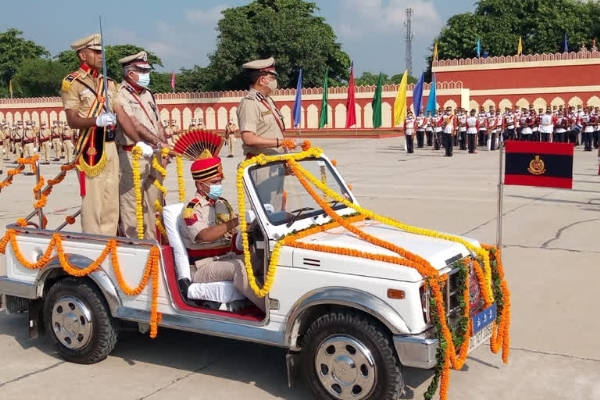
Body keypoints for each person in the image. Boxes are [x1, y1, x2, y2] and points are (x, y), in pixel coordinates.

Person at [60, 33, 137, 236]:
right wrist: (97, 120)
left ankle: (108, 247)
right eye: (96, 52)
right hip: (90, 148)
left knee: (111, 205)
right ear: (83, 55)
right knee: (94, 207)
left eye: (102, 51)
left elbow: (122, 114)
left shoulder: (109, 83)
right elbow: (72, 120)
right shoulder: (72, 82)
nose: (101, 55)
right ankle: (93, 249)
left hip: (110, 146)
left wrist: (139, 141)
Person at [178, 151, 266, 312]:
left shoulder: (222, 204)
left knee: (264, 256)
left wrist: (253, 226)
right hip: (203, 266)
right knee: (238, 267)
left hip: (227, 256)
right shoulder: (191, 209)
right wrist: (234, 222)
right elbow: (203, 236)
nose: (219, 185)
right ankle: (267, 309)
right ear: (200, 185)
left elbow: (236, 232)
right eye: (214, 182)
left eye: (219, 181)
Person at [115, 50, 172, 241]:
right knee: (131, 205)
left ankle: (152, 244)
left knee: (154, 205)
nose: (147, 75)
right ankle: (133, 245)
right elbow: (134, 124)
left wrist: (164, 149)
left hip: (154, 155)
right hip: (133, 155)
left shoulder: (148, 94)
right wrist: (159, 142)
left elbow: (157, 123)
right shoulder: (120, 94)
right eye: (143, 71)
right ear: (130, 73)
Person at [237, 57, 297, 210]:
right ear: (262, 80)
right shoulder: (250, 103)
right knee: (266, 212)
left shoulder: (267, 100)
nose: (274, 80)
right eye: (272, 76)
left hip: (275, 165)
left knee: (276, 211)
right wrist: (279, 142)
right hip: (261, 167)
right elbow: (248, 138)